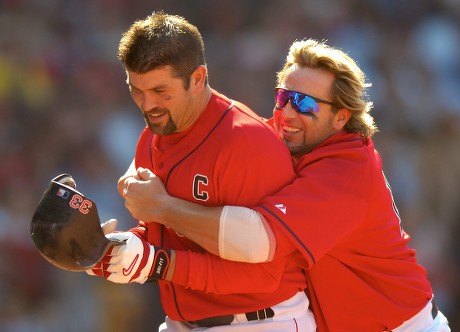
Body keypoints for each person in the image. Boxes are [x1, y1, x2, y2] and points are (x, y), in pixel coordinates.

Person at [120, 39, 451, 331]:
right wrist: (135, 171)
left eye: (306, 104)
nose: (289, 113)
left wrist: (161, 208)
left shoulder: (346, 168)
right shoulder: (282, 138)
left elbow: (256, 238)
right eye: (284, 97)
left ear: (341, 117)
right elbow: (210, 131)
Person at [87, 11, 317, 332]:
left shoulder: (245, 142)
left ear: (197, 79)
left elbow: (262, 275)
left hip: (262, 320)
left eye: (161, 92)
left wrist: (158, 264)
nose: (147, 104)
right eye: (136, 90)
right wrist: (118, 250)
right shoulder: (152, 136)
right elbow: (163, 237)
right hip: (183, 322)